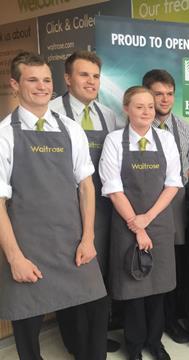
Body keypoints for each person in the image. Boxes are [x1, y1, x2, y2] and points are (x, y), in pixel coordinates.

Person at [0, 52, 107, 360]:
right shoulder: (5, 135)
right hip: (27, 246)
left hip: (73, 241)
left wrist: (88, 238)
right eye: (32, 80)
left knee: (97, 307)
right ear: (15, 84)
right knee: (27, 319)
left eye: (46, 79)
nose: (42, 86)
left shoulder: (71, 129)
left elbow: (86, 186)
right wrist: (15, 258)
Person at [99, 86, 182, 360]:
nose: (146, 111)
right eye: (139, 106)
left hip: (158, 223)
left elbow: (172, 184)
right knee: (133, 289)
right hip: (126, 224)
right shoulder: (114, 141)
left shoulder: (166, 140)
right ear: (126, 109)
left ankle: (155, 342)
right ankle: (134, 346)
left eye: (150, 106)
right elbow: (113, 188)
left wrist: (147, 220)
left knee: (157, 288)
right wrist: (137, 225)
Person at [49, 50, 121, 353]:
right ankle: (76, 343)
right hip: (64, 209)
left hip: (101, 210)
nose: (91, 82)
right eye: (83, 75)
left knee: (98, 276)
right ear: (67, 79)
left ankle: (95, 338)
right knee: (71, 276)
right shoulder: (51, 113)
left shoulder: (108, 115)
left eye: (95, 76)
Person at [142, 69, 189, 344]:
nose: (164, 99)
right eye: (158, 94)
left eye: (169, 94)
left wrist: (174, 179)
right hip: (143, 208)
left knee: (173, 265)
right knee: (148, 266)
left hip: (176, 208)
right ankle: (146, 325)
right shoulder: (137, 127)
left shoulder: (185, 128)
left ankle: (171, 319)